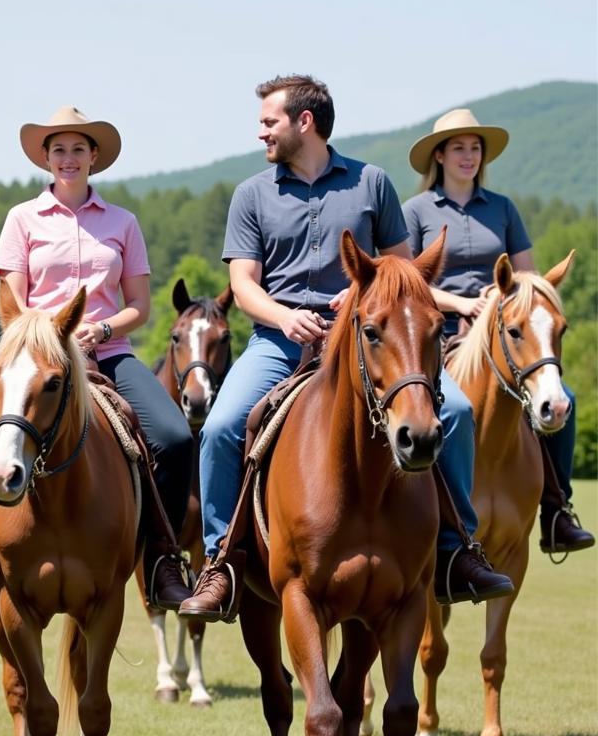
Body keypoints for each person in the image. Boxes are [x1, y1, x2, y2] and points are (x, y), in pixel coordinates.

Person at [178, 75, 514, 622]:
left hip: (366, 339)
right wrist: (286, 317)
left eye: (269, 121)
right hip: (277, 342)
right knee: (219, 427)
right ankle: (221, 564)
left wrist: (360, 296)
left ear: (303, 122)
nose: (260, 131)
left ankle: (458, 552)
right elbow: (242, 285)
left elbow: (402, 272)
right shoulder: (251, 195)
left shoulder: (371, 183)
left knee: (454, 409)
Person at [0, 105, 194, 610]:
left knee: (173, 437)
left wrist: (99, 328)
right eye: (58, 149)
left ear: (94, 157)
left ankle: (163, 561)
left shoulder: (123, 222)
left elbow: (140, 307)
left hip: (107, 353)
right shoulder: (22, 219)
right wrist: (47, 336)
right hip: (34, 356)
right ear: (45, 158)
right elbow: (11, 302)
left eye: (78, 149)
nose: (68, 158)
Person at [404, 108, 593, 556]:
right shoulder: (416, 211)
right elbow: (410, 282)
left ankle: (556, 510)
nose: (468, 157)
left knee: (564, 395)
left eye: (475, 149)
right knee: (448, 407)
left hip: (503, 334)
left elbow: (528, 278)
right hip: (442, 333)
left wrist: (509, 299)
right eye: (459, 149)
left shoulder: (503, 208)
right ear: (440, 156)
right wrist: (465, 303)